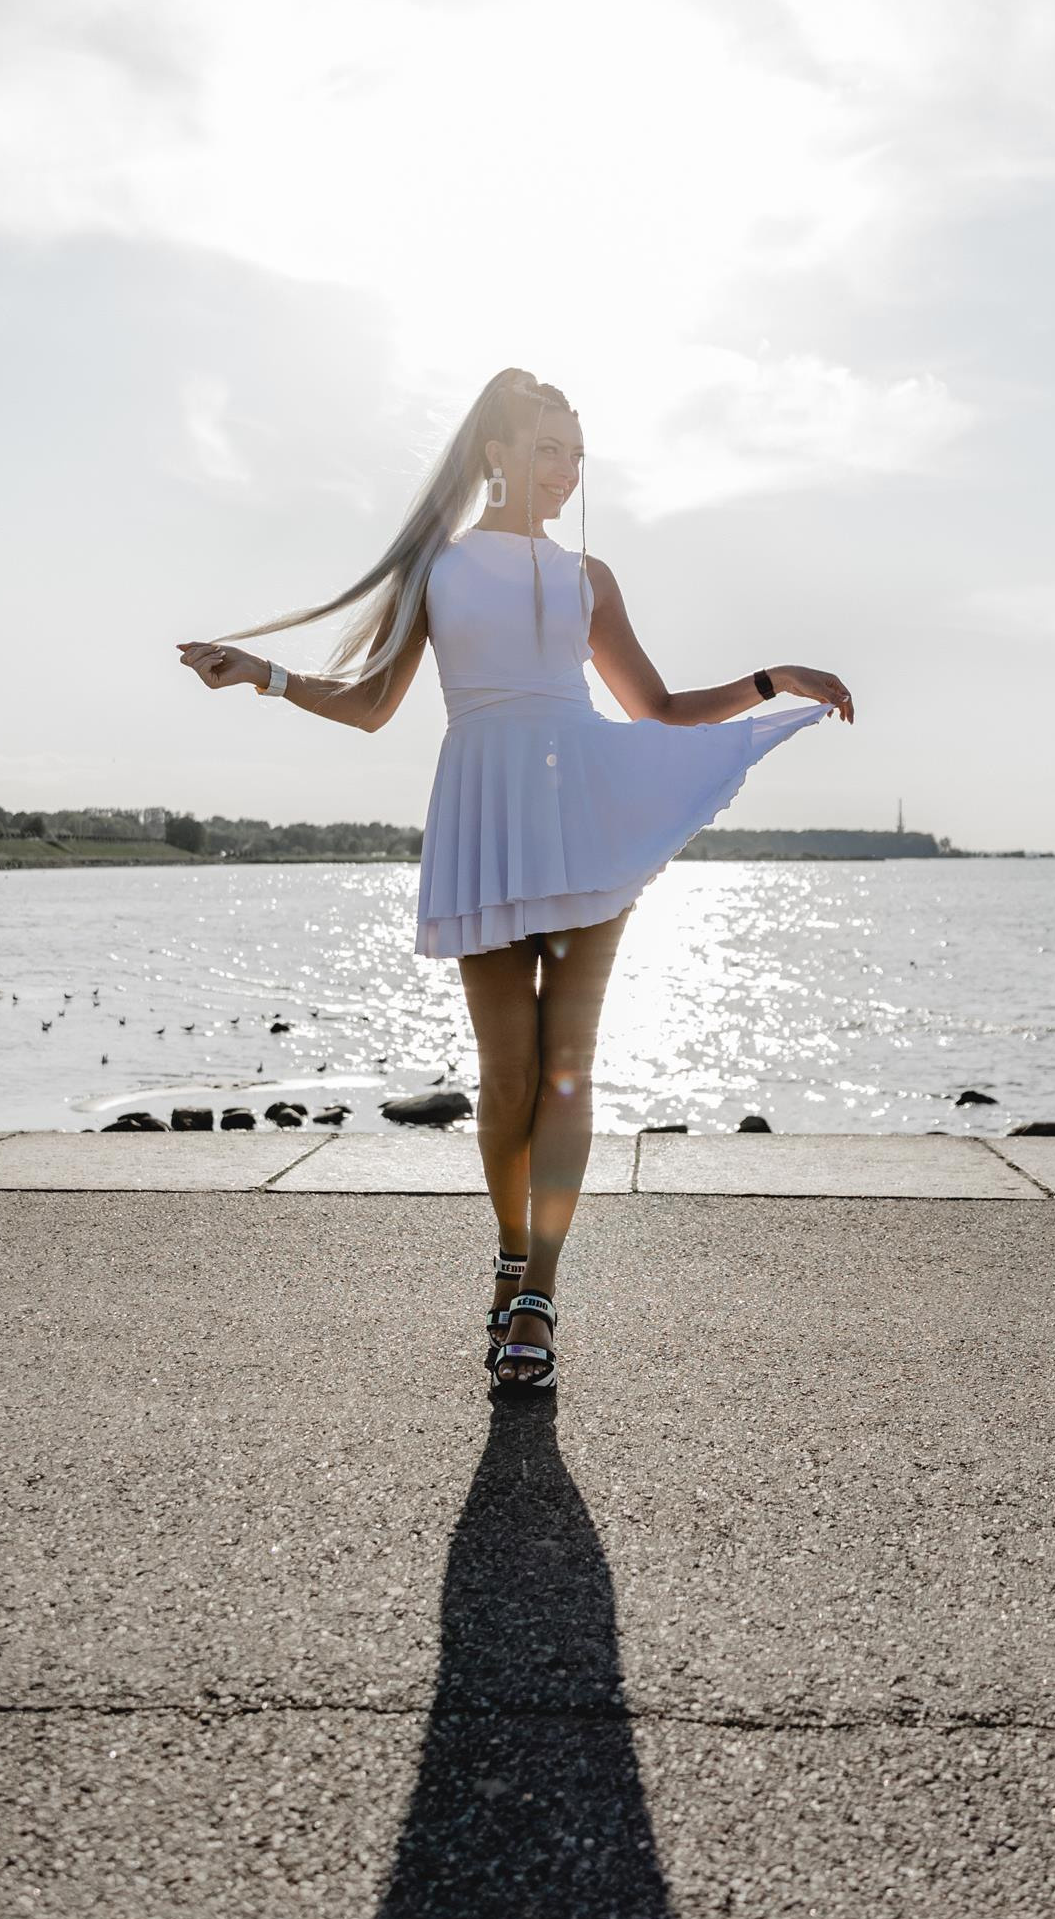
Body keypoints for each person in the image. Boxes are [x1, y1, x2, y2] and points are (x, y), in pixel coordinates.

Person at [178, 368, 853, 1398]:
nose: (563, 470)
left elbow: (658, 708)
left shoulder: (590, 578)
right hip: (484, 811)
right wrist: (260, 674)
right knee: (506, 1078)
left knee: (569, 1064)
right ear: (495, 451)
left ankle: (536, 1293)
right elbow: (370, 706)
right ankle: (511, 1252)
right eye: (546, 447)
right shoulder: (437, 569)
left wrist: (772, 681)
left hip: (581, 806)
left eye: (575, 454)